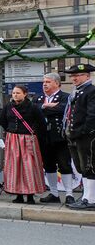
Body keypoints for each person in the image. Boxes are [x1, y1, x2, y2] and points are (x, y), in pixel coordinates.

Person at [0, 85, 46, 204]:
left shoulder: (33, 107)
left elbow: (41, 122)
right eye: (14, 93)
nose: (15, 95)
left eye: (18, 93)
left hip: (28, 139)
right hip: (13, 139)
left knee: (29, 167)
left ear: (25, 94)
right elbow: (3, 120)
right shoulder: (8, 106)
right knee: (15, 167)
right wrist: (10, 131)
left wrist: (33, 133)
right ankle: (18, 195)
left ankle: (30, 195)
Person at [35, 73, 75, 204]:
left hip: (60, 137)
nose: (44, 84)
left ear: (57, 83)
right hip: (43, 137)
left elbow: (64, 109)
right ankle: (54, 193)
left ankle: (69, 194)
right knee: (48, 165)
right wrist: (46, 106)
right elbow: (34, 110)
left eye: (48, 82)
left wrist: (46, 108)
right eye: (44, 82)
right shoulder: (38, 97)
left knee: (64, 165)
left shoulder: (65, 96)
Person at [63, 64, 95, 210]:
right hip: (74, 136)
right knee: (82, 168)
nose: (74, 78)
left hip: (86, 137)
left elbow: (92, 116)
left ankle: (91, 199)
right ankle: (86, 197)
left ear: (87, 76)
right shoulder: (77, 92)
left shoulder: (91, 91)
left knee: (89, 167)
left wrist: (82, 132)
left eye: (77, 75)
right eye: (72, 75)